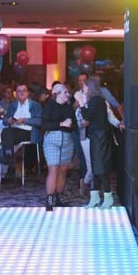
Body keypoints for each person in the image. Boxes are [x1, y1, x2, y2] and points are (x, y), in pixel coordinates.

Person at [81, 77, 125, 209]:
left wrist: (82, 104)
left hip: (99, 137)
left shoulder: (95, 100)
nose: (83, 89)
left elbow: (87, 116)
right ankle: (95, 197)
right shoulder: (99, 100)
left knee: (101, 167)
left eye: (84, 87)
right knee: (97, 167)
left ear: (89, 87)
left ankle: (107, 196)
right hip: (98, 136)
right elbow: (107, 116)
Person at [41, 83, 77, 211]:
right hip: (52, 140)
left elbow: (75, 126)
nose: (68, 95)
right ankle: (49, 201)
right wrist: (61, 124)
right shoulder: (49, 106)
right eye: (65, 92)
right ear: (57, 94)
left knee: (63, 170)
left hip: (67, 141)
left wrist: (71, 124)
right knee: (53, 169)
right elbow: (44, 124)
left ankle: (58, 198)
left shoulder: (68, 108)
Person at [0, 83, 42, 178]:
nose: (21, 93)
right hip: (14, 131)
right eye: (19, 91)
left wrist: (24, 120)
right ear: (16, 94)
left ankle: (8, 157)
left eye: (24, 91)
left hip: (29, 132)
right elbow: (4, 121)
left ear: (28, 93)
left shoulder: (35, 105)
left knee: (6, 133)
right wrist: (9, 120)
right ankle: (9, 156)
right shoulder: (13, 105)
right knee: (6, 131)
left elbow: (40, 121)